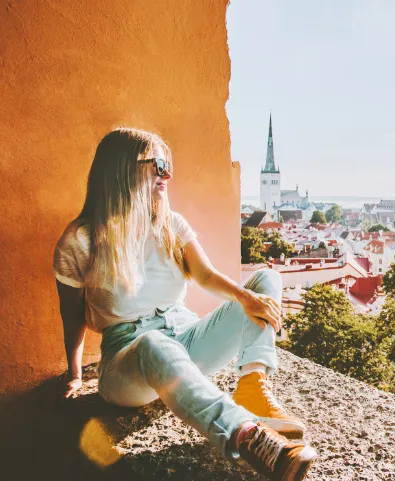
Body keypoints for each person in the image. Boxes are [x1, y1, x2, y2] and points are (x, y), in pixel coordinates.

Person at [53, 128, 316, 481]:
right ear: (121, 168)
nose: (168, 174)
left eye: (168, 164)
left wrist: (245, 296)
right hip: (129, 360)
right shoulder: (80, 240)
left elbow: (205, 276)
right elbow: (71, 314)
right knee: (152, 344)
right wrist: (73, 374)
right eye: (158, 164)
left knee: (267, 281)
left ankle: (252, 385)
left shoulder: (170, 225)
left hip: (186, 337)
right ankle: (248, 435)